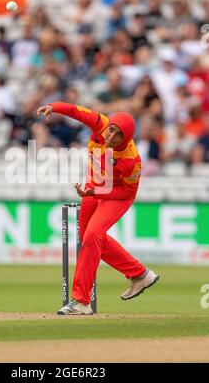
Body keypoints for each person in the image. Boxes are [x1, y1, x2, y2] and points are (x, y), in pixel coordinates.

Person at [37, 102, 160, 315]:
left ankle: (81, 301)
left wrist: (95, 193)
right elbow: (77, 111)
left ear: (127, 138)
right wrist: (53, 107)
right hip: (94, 186)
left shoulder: (132, 161)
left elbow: (126, 193)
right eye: (111, 130)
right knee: (88, 239)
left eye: (118, 135)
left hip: (117, 195)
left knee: (94, 234)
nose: (111, 137)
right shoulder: (100, 124)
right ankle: (140, 274)